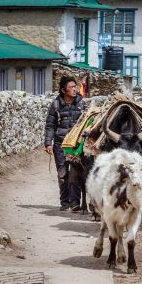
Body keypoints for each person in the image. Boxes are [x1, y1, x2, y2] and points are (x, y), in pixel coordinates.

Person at [44, 75, 87, 211]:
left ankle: (75, 203)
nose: (74, 89)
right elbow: (50, 125)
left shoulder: (81, 103)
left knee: (75, 173)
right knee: (62, 174)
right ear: (63, 90)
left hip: (76, 145)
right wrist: (48, 143)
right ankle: (65, 202)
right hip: (60, 144)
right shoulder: (56, 105)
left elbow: (88, 122)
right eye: (71, 87)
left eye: (75, 87)